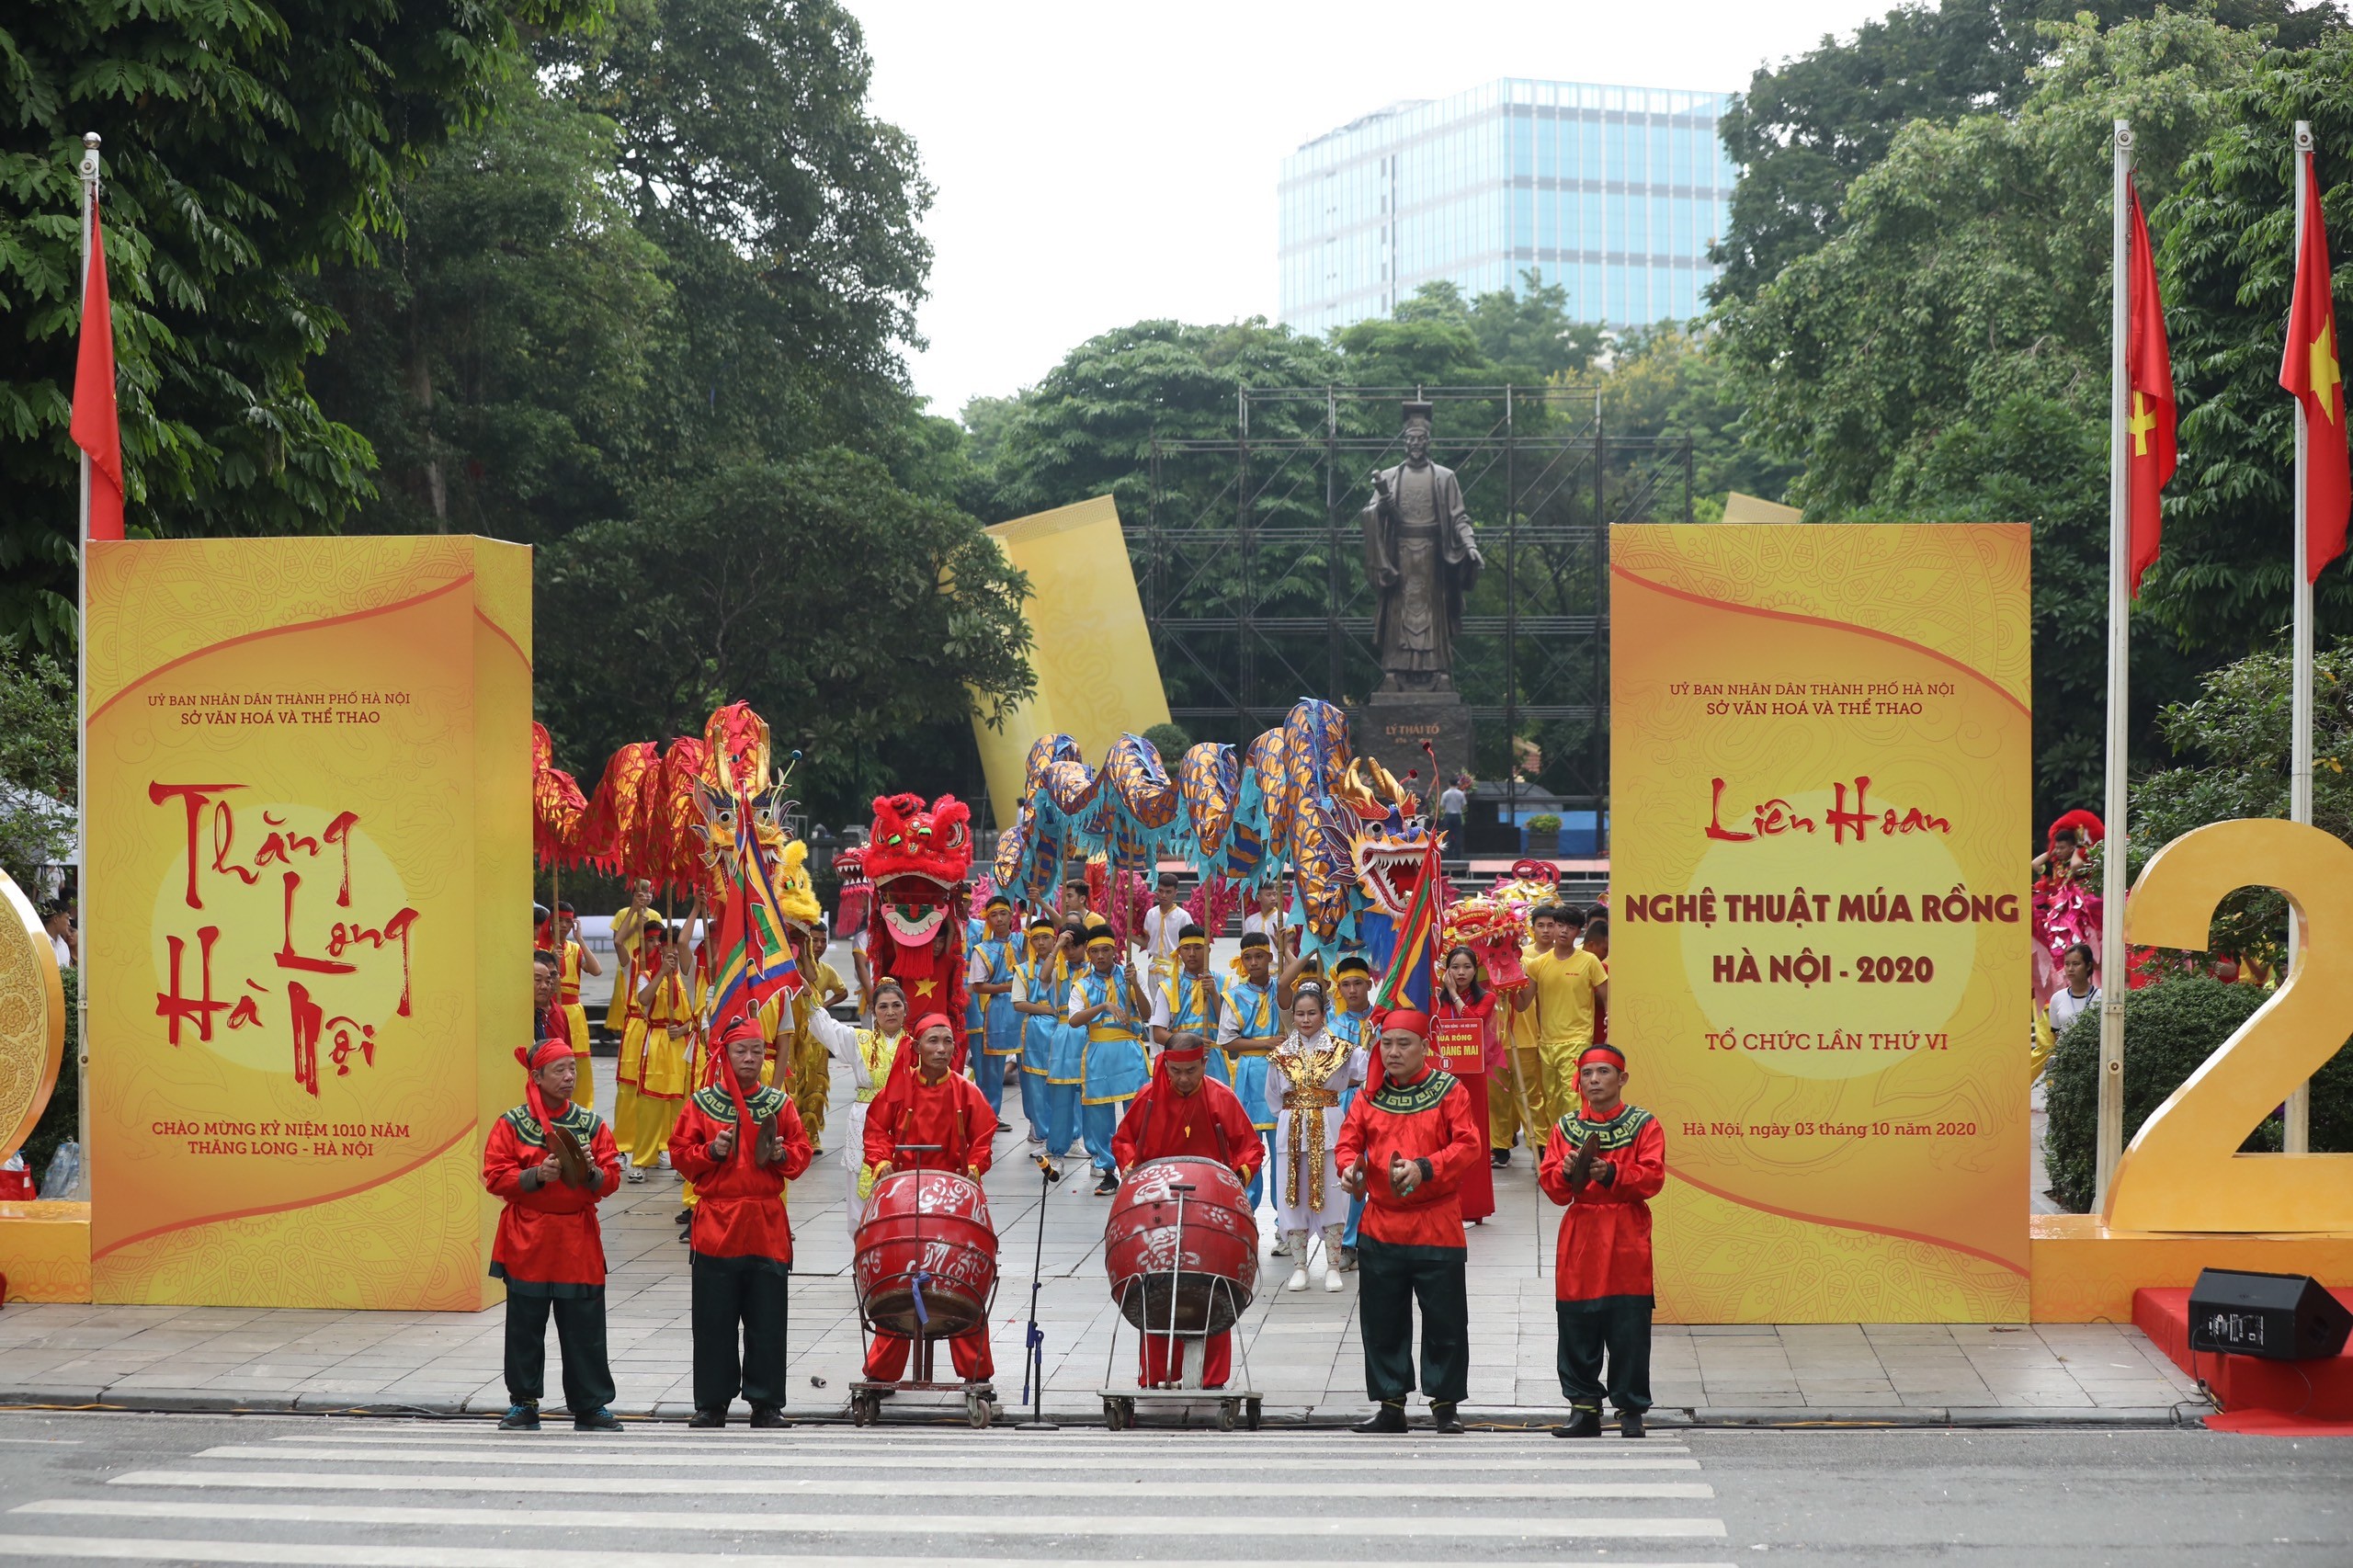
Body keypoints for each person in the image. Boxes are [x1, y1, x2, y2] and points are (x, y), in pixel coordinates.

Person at [1336, 1009, 1483, 1434]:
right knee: (1382, 1321)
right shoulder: (1368, 1095)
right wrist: (1350, 1170)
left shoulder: (1449, 1090)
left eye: (1404, 1044)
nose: (1394, 1052)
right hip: (1381, 1224)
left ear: (1425, 1048)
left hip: (1436, 1222)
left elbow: (1469, 1144)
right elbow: (1349, 1144)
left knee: (1446, 1320)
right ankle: (1390, 1405)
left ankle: (1445, 1405)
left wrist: (1426, 1167)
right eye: (1387, 1044)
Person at [669, 1017, 814, 1428]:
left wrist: (783, 1154)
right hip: (717, 1224)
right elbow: (680, 1154)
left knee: (767, 1321)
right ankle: (711, 1403)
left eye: (756, 1051)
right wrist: (711, 1151)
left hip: (765, 1223)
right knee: (713, 1322)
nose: (749, 1058)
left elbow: (801, 1154)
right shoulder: (700, 1104)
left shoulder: (779, 1103)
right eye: (740, 1051)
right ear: (725, 1056)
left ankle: (766, 1404)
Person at [482, 1036, 623, 1432]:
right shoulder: (512, 1123)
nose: (568, 1077)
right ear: (537, 1076)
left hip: (576, 1238)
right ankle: (524, 1403)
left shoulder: (590, 1123)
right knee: (525, 1326)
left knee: (585, 1327)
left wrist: (593, 1172)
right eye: (559, 1070)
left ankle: (590, 1405)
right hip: (528, 1236)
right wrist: (534, 1175)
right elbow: (494, 1176)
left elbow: (610, 1178)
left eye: (572, 1068)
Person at [1109, 1032, 1263, 1389]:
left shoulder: (1221, 1098)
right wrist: (1129, 1165)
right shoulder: (1149, 1097)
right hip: (1157, 1210)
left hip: (1210, 1210)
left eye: (1190, 1071)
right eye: (1175, 1071)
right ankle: (1157, 1375)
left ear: (1204, 1065)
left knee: (1213, 1288)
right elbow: (1123, 1139)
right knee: (1156, 1288)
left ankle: (1212, 1380)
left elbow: (1251, 1148)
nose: (1182, 1079)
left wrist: (1235, 1177)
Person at [857, 1012, 999, 1390]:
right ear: (916, 1047)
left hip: (953, 1201)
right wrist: (882, 1163)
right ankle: (881, 1372)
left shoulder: (966, 1090)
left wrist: (974, 1165)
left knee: (960, 1285)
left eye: (947, 1041)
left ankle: (975, 1375)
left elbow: (984, 1133)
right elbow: (876, 1129)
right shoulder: (901, 1088)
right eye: (933, 1042)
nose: (941, 1049)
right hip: (904, 1202)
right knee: (897, 1285)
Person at [1540, 1041, 1665, 1439]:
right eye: (1588, 1073)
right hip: (1581, 1234)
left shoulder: (1645, 1124)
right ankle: (1583, 1409)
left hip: (1626, 1231)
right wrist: (1565, 1171)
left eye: (1604, 1072)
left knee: (1628, 1324)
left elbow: (1652, 1177)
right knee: (1578, 1323)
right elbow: (1554, 1189)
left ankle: (1630, 1410)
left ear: (1622, 1078)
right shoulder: (1564, 1128)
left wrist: (1610, 1173)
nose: (1594, 1080)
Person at [1266, 981, 1365, 1292]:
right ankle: (1299, 1266)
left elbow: (1370, 1072)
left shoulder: (1343, 1050)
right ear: (1292, 1016)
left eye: (1312, 1013)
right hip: (1291, 1129)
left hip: (1331, 1127)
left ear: (1324, 1014)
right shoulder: (1280, 1055)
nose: (1306, 1019)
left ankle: (1333, 1265)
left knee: (1335, 1195)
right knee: (1291, 1195)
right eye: (1300, 1014)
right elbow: (1273, 1099)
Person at [798, 977, 911, 1234]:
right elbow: (827, 1028)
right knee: (860, 1177)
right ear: (873, 1011)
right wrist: (808, 998)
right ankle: (864, 1249)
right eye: (883, 1006)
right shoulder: (859, 1040)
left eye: (896, 1005)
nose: (890, 1012)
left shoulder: (916, 1044)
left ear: (906, 1008)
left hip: (904, 1119)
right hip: (865, 1118)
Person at [1071, 922, 1152, 1196]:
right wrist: (1103, 1006)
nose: (1101, 956)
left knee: (1137, 1112)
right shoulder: (1082, 985)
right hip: (1099, 1055)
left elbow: (1147, 1012)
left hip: (1129, 1051)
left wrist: (1133, 985)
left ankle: (1136, 1165)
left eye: (1106, 950)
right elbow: (1073, 1020)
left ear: (1116, 950)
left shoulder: (1131, 975)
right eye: (1096, 951)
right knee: (1099, 1117)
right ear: (1089, 954)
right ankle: (1108, 1170)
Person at [1511, 906, 1608, 1132]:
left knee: (1573, 1096)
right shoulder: (1538, 964)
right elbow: (1522, 1003)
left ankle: (1578, 1146)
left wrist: (1610, 1021)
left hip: (1577, 1040)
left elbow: (1607, 995)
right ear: (1554, 927)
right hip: (1547, 1043)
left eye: (1571, 927)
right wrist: (1506, 983)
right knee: (1552, 1101)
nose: (1564, 931)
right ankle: (1561, 1147)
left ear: (1579, 932)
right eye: (1560, 925)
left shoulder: (1590, 961)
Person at [1214, 932, 1285, 1210]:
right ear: (1241, 961)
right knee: (1248, 1149)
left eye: (1260, 956)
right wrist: (1265, 1042)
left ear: (1270, 957)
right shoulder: (1235, 997)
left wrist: (1285, 948)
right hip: (1249, 1073)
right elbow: (1227, 1041)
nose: (1254, 962)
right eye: (1248, 957)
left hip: (1281, 1074)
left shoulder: (1283, 988)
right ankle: (1247, 1212)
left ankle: (1285, 1223)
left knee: (1283, 1151)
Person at [627, 930, 700, 1175]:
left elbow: (698, 1015)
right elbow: (643, 998)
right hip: (657, 1041)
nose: (673, 953)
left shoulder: (688, 980)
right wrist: (661, 974)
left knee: (681, 1107)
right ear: (660, 949)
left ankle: (681, 1160)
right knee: (650, 1105)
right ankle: (641, 1161)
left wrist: (682, 1030)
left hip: (681, 1044)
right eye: (668, 948)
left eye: (677, 948)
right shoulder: (646, 975)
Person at [1435, 946, 1499, 1225]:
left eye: (1467, 967)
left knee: (1473, 1137)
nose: (1461, 973)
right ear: (1447, 969)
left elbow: (1473, 1022)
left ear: (1476, 970)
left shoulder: (1487, 998)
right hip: (1443, 1076)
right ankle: (1446, 1203)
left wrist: (1453, 996)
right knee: (1444, 1137)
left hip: (1472, 1076)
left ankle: (1474, 1205)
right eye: (1455, 967)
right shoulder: (1435, 1001)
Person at [1492, 906, 1559, 1168]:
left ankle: (1540, 1143)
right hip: (1493, 1043)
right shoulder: (1479, 968)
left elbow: (1537, 1003)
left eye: (1506, 938)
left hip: (1527, 1038)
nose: (1502, 943)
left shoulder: (1529, 965)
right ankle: (1499, 1146)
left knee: (1531, 1096)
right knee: (1496, 1097)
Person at [1011, 915, 1067, 1147]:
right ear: (1031, 942)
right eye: (1036, 939)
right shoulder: (1023, 970)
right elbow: (1018, 1003)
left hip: (1062, 1028)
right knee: (1035, 1083)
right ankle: (1041, 1130)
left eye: (1046, 937)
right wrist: (1046, 1009)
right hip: (1035, 1028)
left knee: (1061, 1081)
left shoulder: (1065, 967)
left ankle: (1064, 1132)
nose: (1041, 943)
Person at [967, 894, 1020, 1128]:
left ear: (1012, 916)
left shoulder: (1023, 941)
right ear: (987, 919)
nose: (999, 919)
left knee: (1030, 1069)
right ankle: (990, 1115)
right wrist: (1007, 987)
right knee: (992, 1067)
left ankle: (1038, 1125)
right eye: (993, 915)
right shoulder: (983, 949)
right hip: (997, 1008)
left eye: (1003, 914)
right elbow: (977, 985)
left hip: (1023, 1009)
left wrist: (1039, 901)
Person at [1150, 925, 1228, 1083]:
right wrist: (1191, 1045)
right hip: (1180, 1062)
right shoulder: (1168, 987)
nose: (1192, 954)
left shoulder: (1224, 983)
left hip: (1214, 1060)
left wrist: (1214, 994)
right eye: (1186, 948)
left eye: (1198, 948)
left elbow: (1229, 1027)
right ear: (1179, 952)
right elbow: (1158, 1034)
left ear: (1208, 950)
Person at [1139, 879, 1188, 983]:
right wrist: (1126, 933)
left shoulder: (1183, 916)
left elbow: (1189, 945)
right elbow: (1147, 943)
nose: (1163, 895)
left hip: (1175, 969)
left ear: (1175, 893)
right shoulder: (1151, 914)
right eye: (1160, 891)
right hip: (1155, 969)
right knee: (1155, 999)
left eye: (1168, 892)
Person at [2048, 941, 2100, 1038]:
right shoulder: (2057, 998)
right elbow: (2056, 1037)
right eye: (2067, 964)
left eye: (2076, 964)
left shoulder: (2101, 997)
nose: (2070, 969)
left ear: (2088, 966)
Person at [1438, 776, 1469, 851]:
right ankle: (1458, 854)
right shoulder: (1461, 794)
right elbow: (1464, 804)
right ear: (1457, 784)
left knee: (1448, 834)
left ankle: (1449, 853)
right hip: (1457, 816)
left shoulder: (1445, 794)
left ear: (1449, 783)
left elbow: (1442, 805)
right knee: (1458, 834)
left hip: (1448, 816)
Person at [43, 903, 75, 971]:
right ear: (56, 919)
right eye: (67, 918)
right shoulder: (38, 942)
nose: (69, 923)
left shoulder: (64, 946)